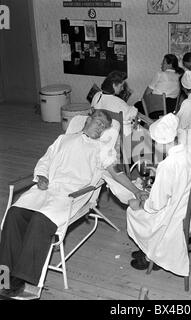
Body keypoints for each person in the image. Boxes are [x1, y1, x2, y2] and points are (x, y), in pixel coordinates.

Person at [0, 110, 147, 300]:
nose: (100, 127)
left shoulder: (103, 149)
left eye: (104, 126)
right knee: (14, 213)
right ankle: (3, 276)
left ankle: (23, 280)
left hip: (70, 196)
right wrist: (42, 175)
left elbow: (117, 173)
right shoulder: (64, 139)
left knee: (39, 220)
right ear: (87, 120)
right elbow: (46, 159)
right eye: (98, 122)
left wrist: (135, 191)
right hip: (47, 188)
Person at [126, 113, 191, 277]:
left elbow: (156, 205)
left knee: (132, 212)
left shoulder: (169, 164)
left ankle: (151, 257)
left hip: (179, 219)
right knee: (147, 204)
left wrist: (140, 203)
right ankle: (149, 250)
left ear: (160, 142)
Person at [135, 54, 184, 118]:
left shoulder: (160, 74)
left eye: (163, 63)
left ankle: (142, 126)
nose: (161, 64)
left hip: (155, 109)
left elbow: (147, 93)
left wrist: (142, 101)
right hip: (170, 110)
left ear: (170, 65)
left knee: (136, 107)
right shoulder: (179, 76)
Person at [91, 71, 138, 135]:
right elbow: (133, 118)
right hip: (117, 135)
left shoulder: (96, 96)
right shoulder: (120, 103)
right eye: (121, 86)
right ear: (114, 85)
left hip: (100, 132)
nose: (123, 88)